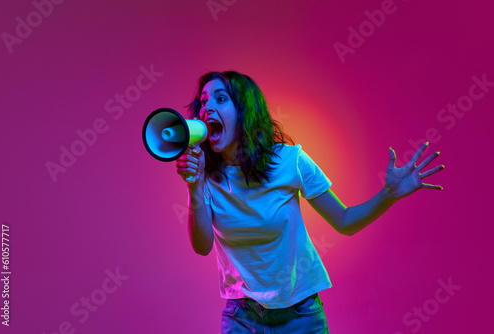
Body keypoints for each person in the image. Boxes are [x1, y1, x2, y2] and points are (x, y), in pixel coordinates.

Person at [175, 71, 444, 333]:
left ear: (245, 110)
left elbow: (345, 221)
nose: (207, 107)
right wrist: (194, 186)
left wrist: (390, 194)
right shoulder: (205, 175)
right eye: (204, 101)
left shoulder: (289, 161)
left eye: (220, 99)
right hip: (242, 316)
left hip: (300, 315)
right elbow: (202, 246)